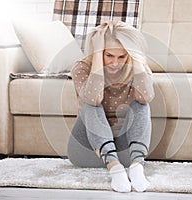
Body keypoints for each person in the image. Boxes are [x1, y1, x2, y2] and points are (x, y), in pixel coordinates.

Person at [67, 21, 155, 193]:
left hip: (126, 150)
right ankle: (114, 168)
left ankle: (137, 167)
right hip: (86, 150)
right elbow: (94, 98)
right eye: (109, 55)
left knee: (141, 103)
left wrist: (136, 60)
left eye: (121, 56)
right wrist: (98, 57)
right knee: (91, 104)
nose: (115, 63)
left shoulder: (137, 67)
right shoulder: (81, 68)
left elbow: (146, 97)